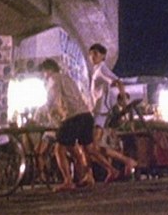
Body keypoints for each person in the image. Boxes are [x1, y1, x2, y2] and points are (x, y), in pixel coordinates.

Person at [40, 58, 119, 192]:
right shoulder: (67, 78)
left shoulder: (54, 78)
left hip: (72, 116)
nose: (43, 76)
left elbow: (52, 99)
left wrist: (47, 111)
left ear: (48, 70)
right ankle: (110, 170)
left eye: (43, 73)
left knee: (59, 149)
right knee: (88, 148)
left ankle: (68, 181)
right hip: (85, 115)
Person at [88, 43, 137, 178]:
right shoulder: (96, 70)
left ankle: (117, 167)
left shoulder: (102, 69)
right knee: (94, 147)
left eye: (96, 53)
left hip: (101, 112)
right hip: (98, 111)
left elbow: (118, 81)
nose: (92, 56)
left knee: (92, 147)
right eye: (91, 54)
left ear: (103, 56)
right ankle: (122, 164)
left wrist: (124, 100)